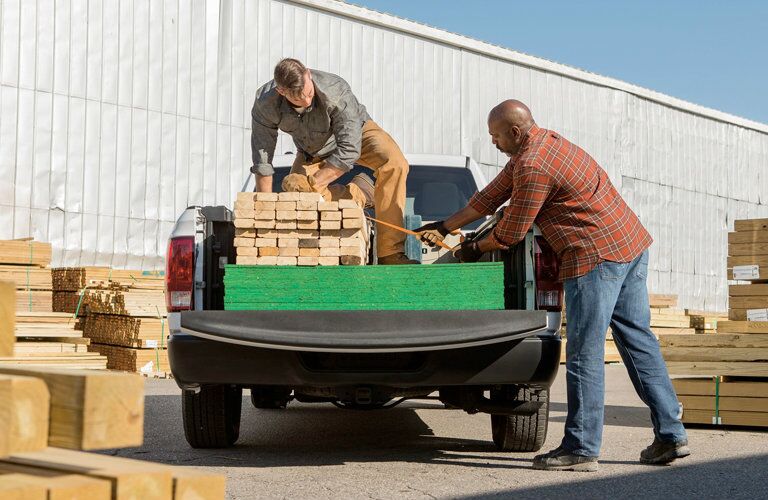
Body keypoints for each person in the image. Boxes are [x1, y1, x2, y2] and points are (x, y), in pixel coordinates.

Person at [416, 99, 690, 471]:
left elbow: (510, 233)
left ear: (514, 131)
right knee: (638, 340)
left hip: (595, 258)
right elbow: (490, 196)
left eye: (495, 135)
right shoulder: (545, 143)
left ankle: (580, 448)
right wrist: (444, 227)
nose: (493, 142)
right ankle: (671, 436)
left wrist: (472, 248)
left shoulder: (533, 164)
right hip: (630, 245)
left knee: (584, 354)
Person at [250, 58, 417, 265]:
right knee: (296, 195)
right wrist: (264, 210)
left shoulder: (334, 89)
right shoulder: (265, 103)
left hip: (358, 135)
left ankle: (390, 253)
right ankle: (358, 193)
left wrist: (315, 184)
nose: (307, 101)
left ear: (308, 74)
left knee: (395, 163)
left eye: (309, 93)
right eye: (299, 99)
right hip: (313, 149)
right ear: (281, 92)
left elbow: (349, 149)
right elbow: (262, 157)